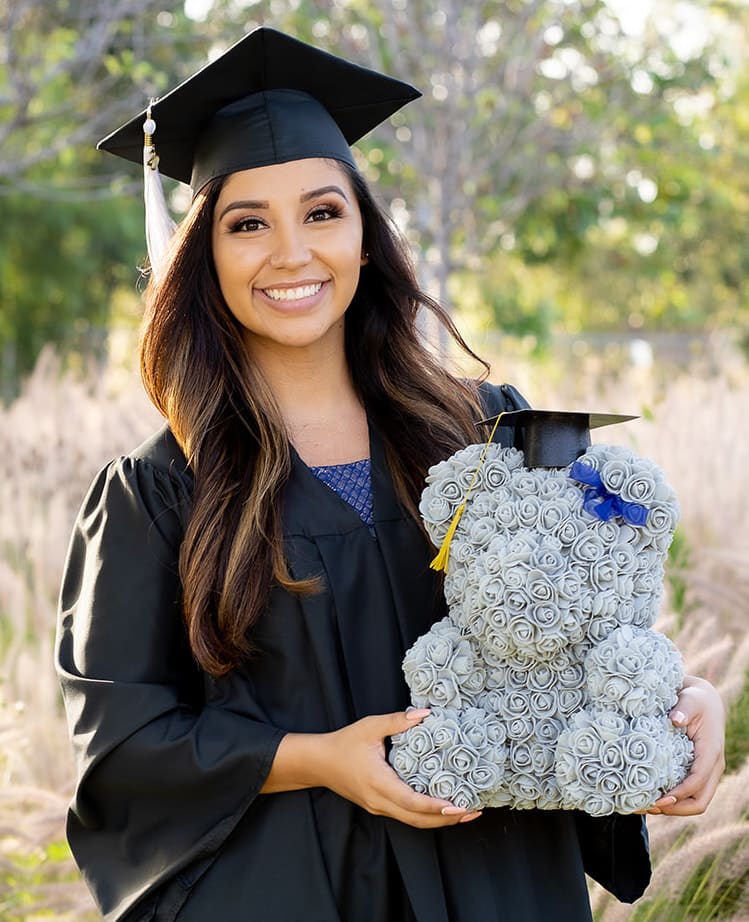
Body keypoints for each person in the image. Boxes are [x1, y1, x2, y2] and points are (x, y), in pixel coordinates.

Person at [55, 26, 725, 922]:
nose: (292, 253)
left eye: (323, 212)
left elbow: (590, 620)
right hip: (289, 890)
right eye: (246, 223)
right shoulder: (161, 491)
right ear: (205, 258)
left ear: (366, 237)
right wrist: (318, 756)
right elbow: (124, 742)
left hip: (499, 881)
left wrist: (688, 704)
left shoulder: (492, 432)